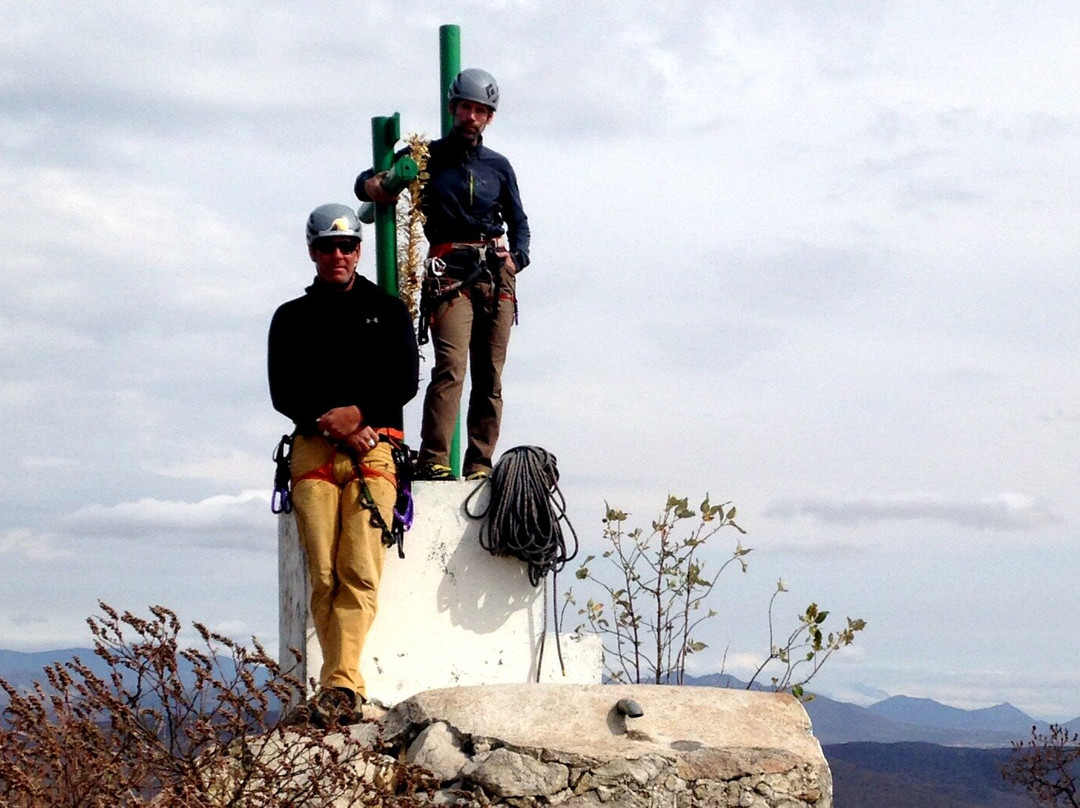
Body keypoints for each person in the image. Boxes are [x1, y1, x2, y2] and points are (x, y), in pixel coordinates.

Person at [267, 204, 418, 725]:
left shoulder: (389, 310)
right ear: (313, 251)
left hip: (375, 449)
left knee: (359, 566)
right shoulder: (291, 317)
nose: (338, 255)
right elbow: (283, 389)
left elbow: (404, 381)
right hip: (313, 447)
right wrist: (337, 421)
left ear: (358, 251)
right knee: (325, 574)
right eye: (328, 247)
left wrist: (360, 416)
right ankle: (342, 684)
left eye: (347, 246)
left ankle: (340, 685)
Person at [356, 68, 530, 481]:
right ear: (453, 109)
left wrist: (515, 259)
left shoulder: (499, 167)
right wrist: (375, 185)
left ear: (490, 117)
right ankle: (435, 459)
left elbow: (520, 223)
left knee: (490, 375)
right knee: (451, 366)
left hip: (494, 273)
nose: (472, 116)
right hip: (449, 272)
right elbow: (367, 180)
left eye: (481, 110)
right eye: (466, 108)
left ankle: (479, 464)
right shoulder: (426, 158)